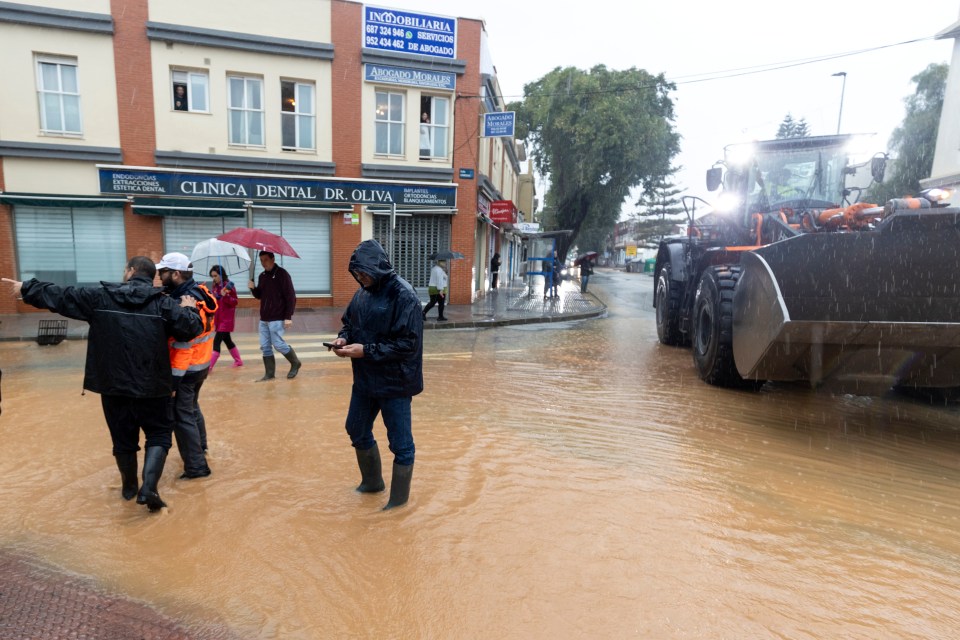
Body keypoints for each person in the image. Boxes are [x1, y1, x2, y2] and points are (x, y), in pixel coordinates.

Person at [2, 257, 203, 512]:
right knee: (159, 434)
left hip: (113, 386)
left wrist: (25, 287)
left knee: (122, 440)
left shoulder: (99, 298)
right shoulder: (163, 303)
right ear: (151, 277)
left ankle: (129, 489)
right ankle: (149, 488)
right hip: (152, 385)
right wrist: (190, 308)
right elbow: (190, 327)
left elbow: (62, 296)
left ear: (130, 271)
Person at [328, 239, 423, 510]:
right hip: (366, 379)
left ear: (378, 267)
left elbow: (408, 344)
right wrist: (342, 339)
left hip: (396, 382)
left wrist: (366, 351)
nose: (360, 278)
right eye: (357, 274)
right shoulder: (362, 294)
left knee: (401, 445)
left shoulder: (404, 295)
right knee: (355, 428)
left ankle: (398, 503)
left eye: (364, 273)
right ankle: (372, 483)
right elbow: (349, 323)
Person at [157, 253, 217, 479]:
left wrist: (173, 381)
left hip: (185, 369)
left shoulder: (184, 303)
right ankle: (201, 449)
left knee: (181, 417)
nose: (159, 275)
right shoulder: (201, 293)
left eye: (162, 272)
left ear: (175, 274)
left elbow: (183, 345)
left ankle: (196, 467)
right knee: (192, 408)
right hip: (201, 365)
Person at [248, 251, 301, 381]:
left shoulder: (282, 274)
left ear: (272, 259)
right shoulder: (262, 276)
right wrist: (253, 288)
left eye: (265, 260)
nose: (263, 263)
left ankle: (295, 362)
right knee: (265, 346)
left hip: (277, 316)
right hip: (264, 317)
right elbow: (260, 295)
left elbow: (291, 297)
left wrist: (288, 316)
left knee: (278, 344)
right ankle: (269, 374)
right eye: (261, 260)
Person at [208, 265, 242, 372]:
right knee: (228, 340)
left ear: (221, 275)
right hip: (218, 318)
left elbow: (235, 302)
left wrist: (226, 295)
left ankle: (209, 367)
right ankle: (238, 361)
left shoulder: (229, 286)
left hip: (226, 319)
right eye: (212, 276)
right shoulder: (215, 286)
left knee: (216, 342)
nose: (214, 278)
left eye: (215, 276)